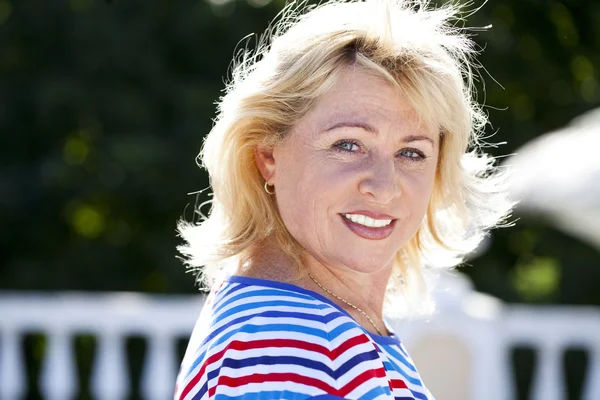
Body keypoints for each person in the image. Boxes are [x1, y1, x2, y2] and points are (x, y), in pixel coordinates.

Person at [174, 0, 512, 399]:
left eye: (412, 152)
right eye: (348, 144)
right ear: (267, 157)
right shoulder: (290, 345)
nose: (384, 186)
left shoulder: (315, 326)